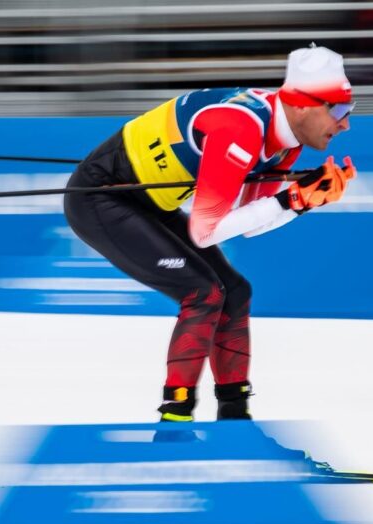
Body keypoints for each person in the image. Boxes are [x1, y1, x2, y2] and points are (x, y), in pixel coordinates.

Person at [63, 44, 356, 423]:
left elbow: (249, 222)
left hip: (148, 199)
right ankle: (175, 419)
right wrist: (289, 201)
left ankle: (234, 416)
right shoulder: (243, 129)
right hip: (101, 198)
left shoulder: (287, 141)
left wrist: (302, 203)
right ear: (302, 104)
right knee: (202, 292)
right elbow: (206, 233)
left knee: (235, 292)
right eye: (338, 110)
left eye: (350, 110)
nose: (346, 123)